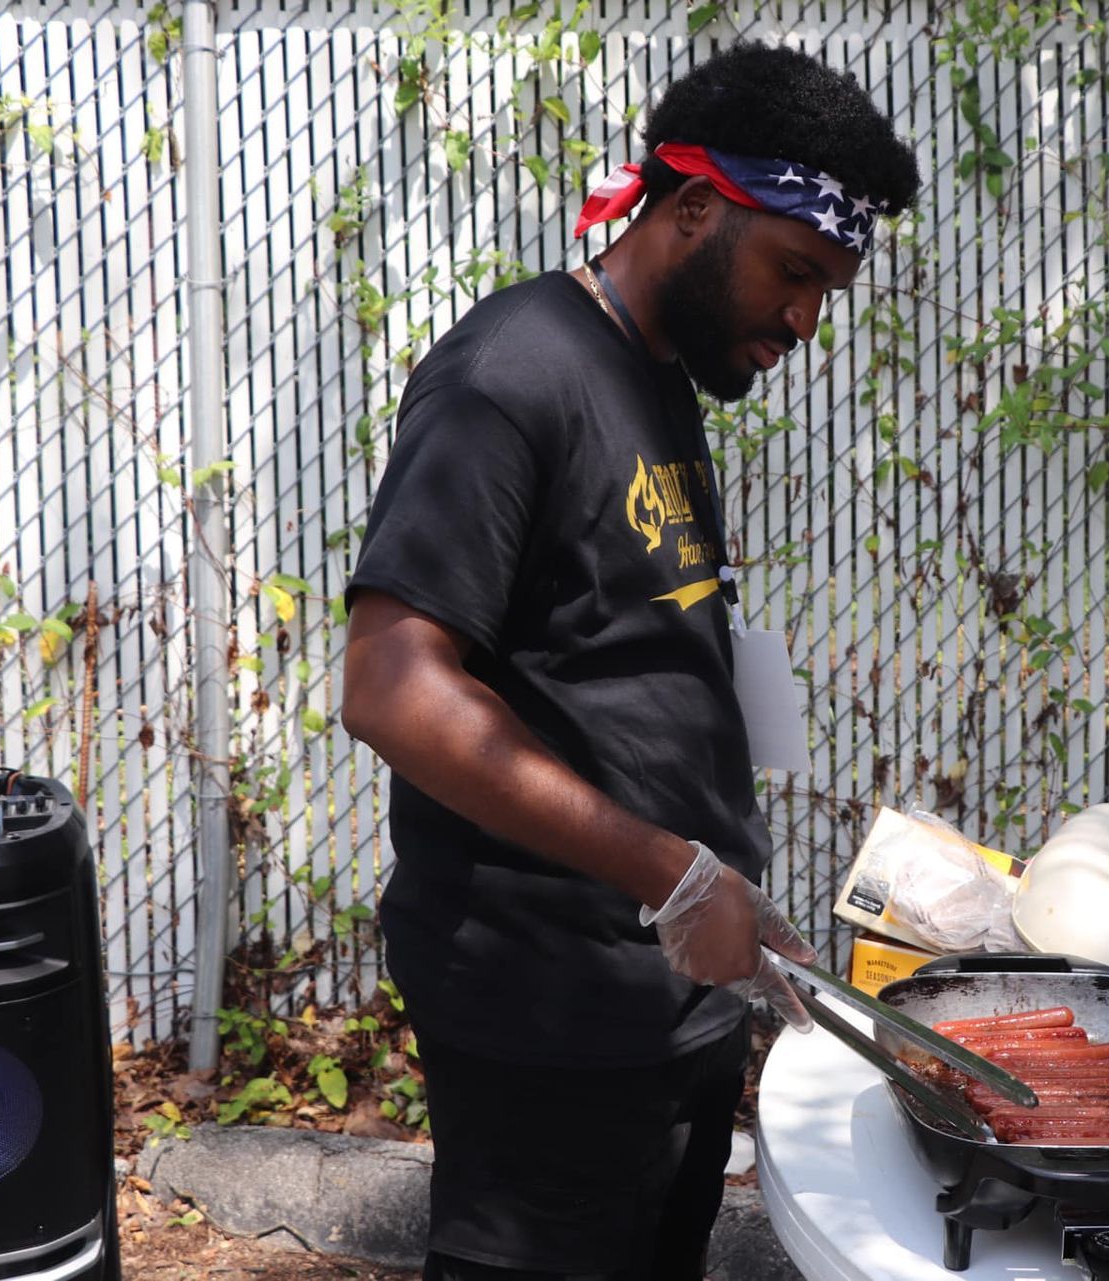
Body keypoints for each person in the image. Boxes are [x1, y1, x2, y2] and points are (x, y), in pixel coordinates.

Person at [339, 41, 921, 1281]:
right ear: (696, 208)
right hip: (547, 1013)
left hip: (668, 1005)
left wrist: (735, 899)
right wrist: (672, 875)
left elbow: (626, 666)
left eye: (830, 289)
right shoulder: (513, 375)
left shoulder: (653, 379)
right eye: (796, 271)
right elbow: (392, 686)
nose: (807, 320)